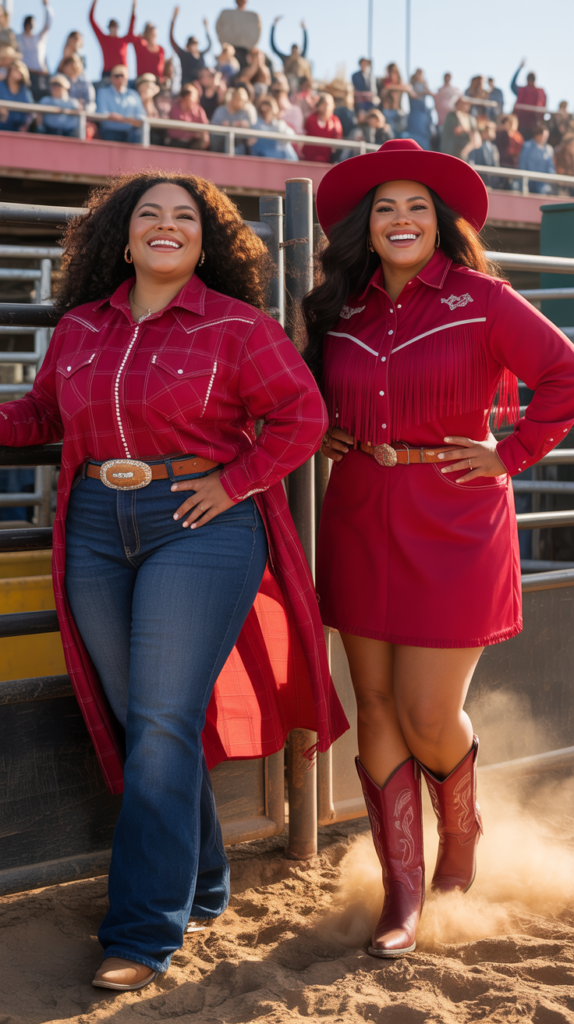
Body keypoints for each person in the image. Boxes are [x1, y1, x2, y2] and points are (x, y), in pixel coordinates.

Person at [0, 170, 348, 990]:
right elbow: (43, 416)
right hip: (93, 526)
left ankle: (142, 931)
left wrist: (235, 482)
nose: (166, 225)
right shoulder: (80, 328)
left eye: (184, 216)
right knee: (145, 719)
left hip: (199, 525)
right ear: (123, 240)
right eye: (148, 214)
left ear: (204, 240)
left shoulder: (237, 327)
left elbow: (303, 415)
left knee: (160, 721)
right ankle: (205, 881)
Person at [303, 136, 574, 958]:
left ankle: (461, 837)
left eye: (417, 206)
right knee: (375, 705)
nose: (401, 219)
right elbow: (307, 400)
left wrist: (512, 454)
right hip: (358, 512)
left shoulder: (483, 298)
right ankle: (404, 894)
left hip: (455, 518)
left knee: (426, 710)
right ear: (365, 224)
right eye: (385, 207)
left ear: (440, 220)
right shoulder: (339, 309)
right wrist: (325, 432)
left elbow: (564, 372)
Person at [96, 64, 146, 143]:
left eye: (122, 75)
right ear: (111, 78)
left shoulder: (134, 94)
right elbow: (102, 113)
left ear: (127, 77)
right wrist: (128, 119)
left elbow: (141, 115)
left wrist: (121, 119)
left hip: (131, 133)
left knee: (139, 135)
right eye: (117, 76)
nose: (120, 78)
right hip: (110, 132)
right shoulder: (102, 92)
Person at [89, 0, 136, 83]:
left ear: (118, 28)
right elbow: (91, 19)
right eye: (111, 26)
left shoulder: (124, 40)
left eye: (115, 26)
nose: (113, 28)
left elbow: (131, 27)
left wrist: (133, 8)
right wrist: (94, 2)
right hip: (108, 74)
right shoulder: (103, 39)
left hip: (122, 73)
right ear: (108, 27)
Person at [15, 0, 52, 100]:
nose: (29, 25)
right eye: (27, 22)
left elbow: (48, 24)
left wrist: (47, 7)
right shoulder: (18, 38)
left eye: (31, 23)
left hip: (39, 75)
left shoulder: (39, 38)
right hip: (24, 74)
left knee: (42, 99)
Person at [170, 7, 212, 86]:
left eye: (196, 43)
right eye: (192, 43)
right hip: (188, 86)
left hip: (202, 86)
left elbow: (210, 45)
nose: (194, 45)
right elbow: (172, 40)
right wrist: (173, 19)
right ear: (188, 46)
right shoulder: (184, 55)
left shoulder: (201, 55)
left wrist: (207, 28)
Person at [215, 0, 261, 70]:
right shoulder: (226, 13)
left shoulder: (253, 16)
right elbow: (219, 28)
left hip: (245, 51)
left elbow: (257, 31)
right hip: (230, 50)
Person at [210, 83, 255, 153]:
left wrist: (244, 126)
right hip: (220, 145)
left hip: (238, 145)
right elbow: (212, 130)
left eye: (244, 101)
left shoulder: (244, 112)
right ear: (233, 98)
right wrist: (223, 127)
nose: (242, 103)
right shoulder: (220, 110)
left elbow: (251, 131)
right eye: (239, 100)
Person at [250, 94, 297, 159]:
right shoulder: (256, 125)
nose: (265, 110)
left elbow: (291, 135)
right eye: (263, 107)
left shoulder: (280, 124)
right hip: (264, 158)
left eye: (269, 107)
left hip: (282, 158)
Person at [270, 16, 310, 90]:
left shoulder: (301, 58)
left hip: (301, 82)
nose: (295, 52)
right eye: (293, 50)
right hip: (289, 82)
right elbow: (274, 47)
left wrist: (304, 29)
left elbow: (305, 45)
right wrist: (273, 26)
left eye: (296, 50)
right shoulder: (286, 59)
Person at [302, 92, 343, 163]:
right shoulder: (310, 119)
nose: (327, 107)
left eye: (329, 104)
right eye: (324, 104)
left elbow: (337, 142)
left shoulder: (335, 121)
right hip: (308, 160)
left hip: (326, 161)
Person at [511, 61, 546, 141]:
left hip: (521, 124)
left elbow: (512, 85)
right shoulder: (540, 92)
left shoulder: (522, 90)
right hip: (531, 125)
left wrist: (519, 68)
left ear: (526, 79)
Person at [167, 83, 209, 148]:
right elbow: (174, 132)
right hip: (176, 143)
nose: (195, 100)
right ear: (183, 98)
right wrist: (194, 133)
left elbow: (204, 133)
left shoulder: (199, 110)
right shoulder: (174, 107)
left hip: (193, 144)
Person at [518, 124, 555, 193]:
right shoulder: (527, 146)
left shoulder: (549, 149)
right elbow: (522, 164)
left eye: (546, 137)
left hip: (542, 184)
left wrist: (550, 178)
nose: (545, 139)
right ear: (537, 135)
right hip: (529, 181)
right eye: (543, 136)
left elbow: (550, 167)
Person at [440, 96, 479, 160]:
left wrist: (466, 151)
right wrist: (460, 116)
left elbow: (477, 140)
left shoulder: (471, 119)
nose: (464, 105)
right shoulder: (451, 116)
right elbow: (457, 131)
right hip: (451, 155)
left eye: (466, 103)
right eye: (461, 103)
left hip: (466, 157)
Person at [0, 59, 32, 131]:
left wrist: (25, 126)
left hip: (18, 129)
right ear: (10, 71)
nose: (18, 73)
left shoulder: (24, 90)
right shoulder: (1, 86)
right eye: (15, 69)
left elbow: (30, 111)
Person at [379, 63, 409, 138]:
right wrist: (388, 87)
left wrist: (391, 86)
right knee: (389, 135)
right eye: (390, 72)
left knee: (399, 134)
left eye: (394, 72)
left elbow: (408, 89)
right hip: (387, 111)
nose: (392, 75)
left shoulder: (400, 82)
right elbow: (382, 94)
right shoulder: (384, 81)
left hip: (398, 112)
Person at [406, 68, 433, 149]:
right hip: (415, 112)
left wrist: (424, 83)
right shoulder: (412, 84)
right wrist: (422, 93)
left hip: (422, 112)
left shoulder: (424, 83)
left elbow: (429, 92)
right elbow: (413, 95)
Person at [469, 121, 501, 188]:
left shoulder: (493, 148)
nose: (493, 133)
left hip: (490, 183)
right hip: (477, 181)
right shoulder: (476, 146)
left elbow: (495, 166)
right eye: (490, 130)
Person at [136, 73, 165, 144]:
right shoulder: (136, 98)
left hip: (155, 133)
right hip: (140, 132)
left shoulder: (157, 100)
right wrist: (149, 96)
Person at [495, 113, 523, 181]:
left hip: (512, 164)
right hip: (501, 163)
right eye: (510, 122)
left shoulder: (518, 137)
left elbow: (519, 150)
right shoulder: (500, 134)